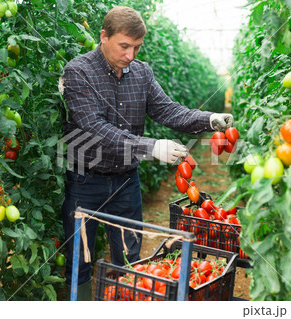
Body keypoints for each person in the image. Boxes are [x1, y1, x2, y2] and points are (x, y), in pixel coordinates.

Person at [59, 6, 233, 300]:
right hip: (85, 182)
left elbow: (167, 110)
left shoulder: (141, 72)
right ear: (104, 36)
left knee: (129, 259)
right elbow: (93, 128)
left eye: (137, 47)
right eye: (124, 46)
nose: (130, 55)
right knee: (80, 259)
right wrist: (151, 147)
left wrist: (208, 119)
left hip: (126, 181)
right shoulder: (78, 72)